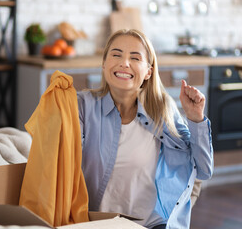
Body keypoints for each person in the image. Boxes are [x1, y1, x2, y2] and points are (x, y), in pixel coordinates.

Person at [77, 29, 213, 229]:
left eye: (135, 57)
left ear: (148, 71)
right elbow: (63, 164)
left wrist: (196, 118)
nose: (124, 63)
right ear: (104, 63)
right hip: (95, 223)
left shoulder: (162, 108)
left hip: (151, 224)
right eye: (116, 54)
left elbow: (203, 170)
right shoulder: (82, 105)